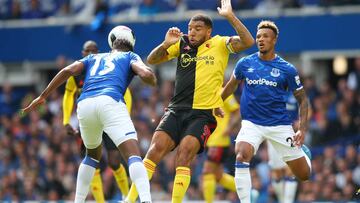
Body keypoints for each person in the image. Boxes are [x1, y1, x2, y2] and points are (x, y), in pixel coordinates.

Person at [125, 0, 254, 202]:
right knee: (154, 150)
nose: (192, 32)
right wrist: (165, 44)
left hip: (202, 114)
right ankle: (129, 200)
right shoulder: (181, 43)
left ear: (208, 32)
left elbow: (248, 42)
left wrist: (230, 16)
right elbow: (152, 59)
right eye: (190, 28)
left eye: (198, 29)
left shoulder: (220, 43)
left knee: (184, 155)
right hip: (176, 110)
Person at [22, 26, 156, 203]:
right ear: (132, 43)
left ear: (111, 42)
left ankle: (78, 201)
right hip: (110, 101)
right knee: (133, 155)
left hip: (84, 104)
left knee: (91, 155)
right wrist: (150, 78)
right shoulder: (130, 56)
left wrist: (43, 96)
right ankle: (146, 200)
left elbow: (67, 71)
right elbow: (146, 74)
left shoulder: (93, 57)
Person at [221, 20, 312, 203]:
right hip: (251, 123)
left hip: (279, 125)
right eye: (258, 36)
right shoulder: (245, 63)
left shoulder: (286, 69)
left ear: (274, 40)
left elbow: (303, 99)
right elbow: (229, 87)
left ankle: (305, 154)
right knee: (241, 153)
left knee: (303, 175)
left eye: (265, 36)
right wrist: (216, 102)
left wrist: (302, 128)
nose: (260, 40)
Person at [62, 40, 132, 201]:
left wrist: (124, 115)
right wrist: (66, 120)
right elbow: (68, 95)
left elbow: (126, 92)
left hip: (108, 118)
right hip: (89, 121)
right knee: (93, 161)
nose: (91, 54)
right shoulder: (76, 73)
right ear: (82, 53)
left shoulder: (105, 68)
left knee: (114, 162)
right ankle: (100, 201)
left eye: (94, 50)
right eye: (88, 51)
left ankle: (126, 195)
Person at [202, 94, 241, 203]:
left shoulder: (224, 92)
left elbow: (237, 111)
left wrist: (229, 128)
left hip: (219, 141)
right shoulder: (208, 92)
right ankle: (247, 191)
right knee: (218, 176)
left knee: (207, 172)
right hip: (210, 140)